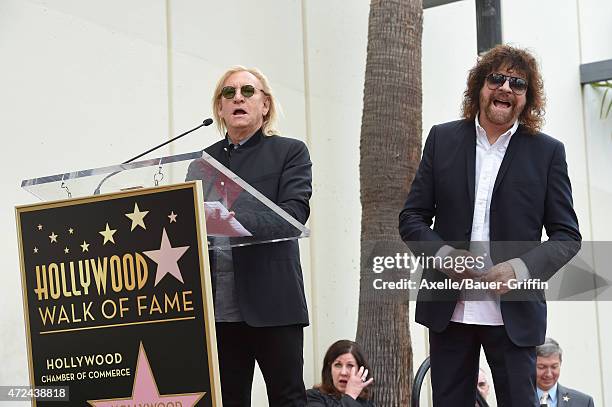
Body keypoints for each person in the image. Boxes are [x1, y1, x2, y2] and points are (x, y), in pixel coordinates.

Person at [399, 44, 581, 406]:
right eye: (496, 78)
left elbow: (567, 236)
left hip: (515, 314)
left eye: (518, 83)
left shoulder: (547, 152)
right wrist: (445, 255)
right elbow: (412, 217)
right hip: (448, 311)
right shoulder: (442, 139)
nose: (506, 88)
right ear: (479, 87)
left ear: (526, 99)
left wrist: (519, 268)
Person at [186, 66, 312, 406]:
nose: (237, 98)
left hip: (273, 302)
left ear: (265, 105)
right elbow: (187, 224)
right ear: (220, 108)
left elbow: (293, 217)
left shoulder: (290, 151)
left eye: (247, 91)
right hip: (218, 309)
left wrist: (228, 220)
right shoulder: (201, 164)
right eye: (229, 93)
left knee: (287, 399)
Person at [306, 340, 375, 406]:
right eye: (338, 365)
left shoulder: (366, 401)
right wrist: (350, 396)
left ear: (360, 370)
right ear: (329, 369)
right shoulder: (313, 396)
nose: (343, 372)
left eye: (350, 365)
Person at [536, 337, 594, 407]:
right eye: (542, 367)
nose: (549, 374)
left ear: (560, 364)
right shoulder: (520, 400)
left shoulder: (583, 402)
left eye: (554, 367)